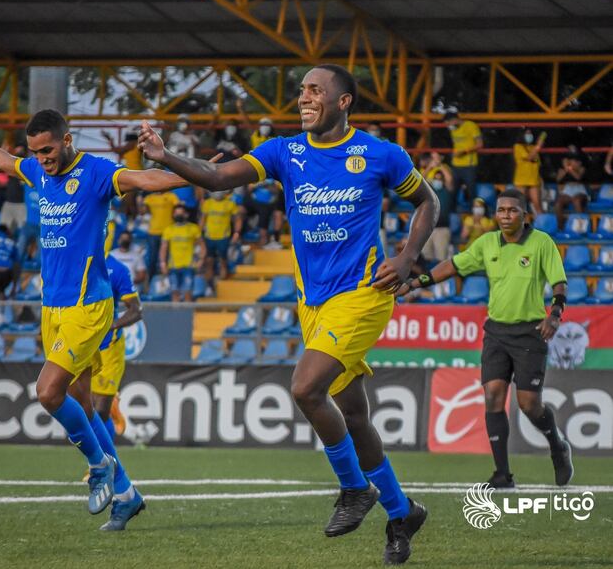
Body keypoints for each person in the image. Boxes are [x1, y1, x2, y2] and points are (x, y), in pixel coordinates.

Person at [139, 63, 438, 564]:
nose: (303, 98)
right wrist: (165, 155)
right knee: (356, 415)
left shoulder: (380, 154)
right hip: (313, 301)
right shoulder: (284, 151)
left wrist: (407, 257)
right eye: (301, 91)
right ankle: (401, 511)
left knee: (304, 387)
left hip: (364, 293)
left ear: (343, 102)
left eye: (315, 90)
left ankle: (353, 488)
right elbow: (216, 178)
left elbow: (427, 200)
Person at [0, 95, 186, 524]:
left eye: (48, 150)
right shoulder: (36, 171)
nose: (41, 159)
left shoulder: (97, 171)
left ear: (66, 140)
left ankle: (99, 466)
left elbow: (145, 180)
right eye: (35, 152)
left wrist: (200, 175)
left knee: (48, 392)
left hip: (89, 305)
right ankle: (125, 493)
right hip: (53, 306)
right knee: (82, 404)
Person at [397, 189, 573, 489]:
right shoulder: (487, 243)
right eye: (501, 210)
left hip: (530, 331)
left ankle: (557, 444)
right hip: (496, 332)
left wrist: (555, 314)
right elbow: (454, 265)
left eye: (512, 210)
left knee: (530, 405)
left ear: (524, 215)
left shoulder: (542, 243)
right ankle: (502, 473)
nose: (505, 215)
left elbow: (558, 282)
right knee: (492, 396)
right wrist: (416, 282)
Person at [70, 253, 144, 530]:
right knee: (83, 407)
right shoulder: (80, 262)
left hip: (111, 350)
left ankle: (102, 467)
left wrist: (110, 325)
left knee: (98, 411)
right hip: (86, 344)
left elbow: (136, 311)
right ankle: (113, 476)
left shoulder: (118, 269)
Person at [160, 204, 205, 302]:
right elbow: (164, 247)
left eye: (181, 213)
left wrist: (201, 260)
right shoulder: (169, 229)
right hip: (173, 266)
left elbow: (202, 246)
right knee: (174, 292)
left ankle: (187, 316)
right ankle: (175, 316)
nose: (178, 215)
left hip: (189, 266)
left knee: (188, 293)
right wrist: (163, 263)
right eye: (176, 213)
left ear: (186, 215)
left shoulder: (194, 228)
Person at [200, 191, 241, 283]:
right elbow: (203, 219)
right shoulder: (207, 203)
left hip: (223, 236)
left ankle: (223, 280)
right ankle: (209, 282)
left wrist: (237, 233)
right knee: (209, 260)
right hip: (209, 236)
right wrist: (200, 233)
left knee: (223, 259)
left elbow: (237, 219)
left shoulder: (230, 204)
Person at [444, 109, 482, 204]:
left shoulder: (470, 126)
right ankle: (451, 216)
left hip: (469, 165)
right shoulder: (453, 130)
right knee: (452, 193)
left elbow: (479, 144)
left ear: (454, 120)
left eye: (448, 123)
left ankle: (473, 215)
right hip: (455, 165)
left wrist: (464, 152)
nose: (448, 126)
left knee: (471, 192)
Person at [141, 189, 180, 278]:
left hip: (168, 231)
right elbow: (142, 212)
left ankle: (166, 279)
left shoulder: (171, 196)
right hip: (153, 232)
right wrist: (140, 201)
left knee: (167, 258)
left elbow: (178, 209)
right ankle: (150, 280)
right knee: (152, 258)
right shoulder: (149, 198)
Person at [104, 130, 143, 218]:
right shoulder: (133, 147)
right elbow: (119, 151)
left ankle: (130, 219)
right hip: (134, 174)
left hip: (134, 174)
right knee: (128, 200)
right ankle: (129, 219)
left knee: (129, 199)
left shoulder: (132, 144)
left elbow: (117, 150)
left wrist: (110, 140)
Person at [421, 161, 454, 263]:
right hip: (427, 229)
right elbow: (420, 180)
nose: (438, 180)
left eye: (440, 179)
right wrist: (430, 166)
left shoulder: (447, 190)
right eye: (436, 178)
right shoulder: (428, 190)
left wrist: (440, 165)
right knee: (426, 260)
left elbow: (449, 179)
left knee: (441, 260)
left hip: (442, 229)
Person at [512, 129, 546, 215]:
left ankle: (541, 225)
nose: (529, 135)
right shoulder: (517, 146)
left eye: (530, 133)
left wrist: (540, 178)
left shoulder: (533, 147)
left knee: (537, 205)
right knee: (520, 206)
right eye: (527, 134)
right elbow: (529, 157)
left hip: (534, 180)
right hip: (521, 180)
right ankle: (521, 227)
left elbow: (537, 164)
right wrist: (538, 146)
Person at [0, 143, 28, 233]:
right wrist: (3, 151)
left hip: (22, 204)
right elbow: (1, 161)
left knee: (23, 231)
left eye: (21, 151)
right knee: (4, 230)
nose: (18, 153)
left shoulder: (28, 167)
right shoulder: (12, 166)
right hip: (9, 202)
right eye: (17, 151)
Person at [555, 154, 588, 229]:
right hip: (568, 189)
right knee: (558, 203)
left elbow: (578, 177)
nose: (571, 162)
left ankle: (581, 227)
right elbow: (558, 179)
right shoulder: (562, 170)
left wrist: (570, 170)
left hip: (580, 190)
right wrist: (566, 169)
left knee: (576, 201)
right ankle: (561, 227)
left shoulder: (581, 169)